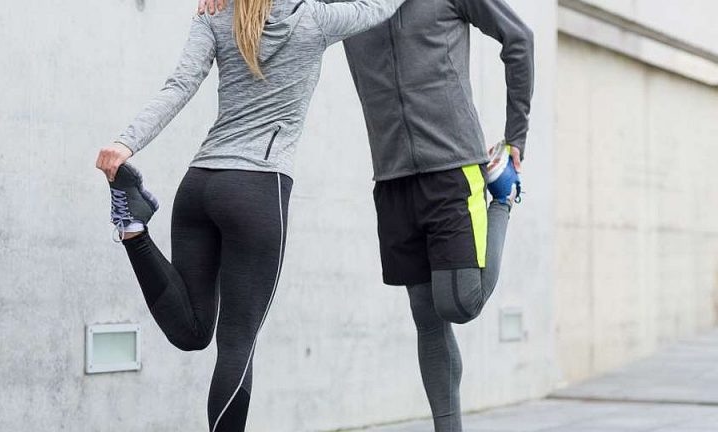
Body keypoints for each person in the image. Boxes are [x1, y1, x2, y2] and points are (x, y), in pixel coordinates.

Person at [197, 0, 534, 430]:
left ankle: (504, 199)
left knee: (461, 302)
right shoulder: (345, 5)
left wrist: (516, 135)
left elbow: (519, 38)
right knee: (426, 317)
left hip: (454, 168)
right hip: (392, 178)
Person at [94, 0, 410, 430]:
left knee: (192, 331)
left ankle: (133, 229)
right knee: (237, 344)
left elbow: (179, 85)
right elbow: (380, 5)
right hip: (257, 190)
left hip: (199, 186)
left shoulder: (215, 13)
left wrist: (125, 144)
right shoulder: (316, 19)